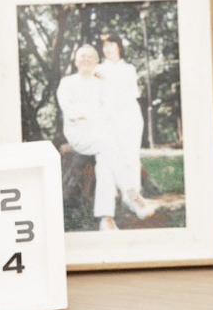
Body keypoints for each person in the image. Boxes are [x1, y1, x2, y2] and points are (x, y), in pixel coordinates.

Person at [56, 44, 154, 231]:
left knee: (105, 160)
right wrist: (95, 109)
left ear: (97, 62)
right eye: (82, 56)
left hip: (101, 135)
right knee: (106, 142)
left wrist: (87, 112)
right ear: (76, 60)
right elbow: (71, 112)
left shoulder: (102, 84)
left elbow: (110, 110)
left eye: (90, 57)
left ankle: (106, 218)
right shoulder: (67, 83)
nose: (86, 59)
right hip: (79, 136)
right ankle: (131, 193)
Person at [94, 33, 145, 193]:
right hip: (108, 119)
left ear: (119, 47)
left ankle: (133, 196)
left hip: (130, 116)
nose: (107, 49)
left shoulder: (129, 69)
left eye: (111, 45)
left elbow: (132, 94)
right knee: (112, 158)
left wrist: (108, 82)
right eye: (104, 46)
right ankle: (114, 194)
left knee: (131, 158)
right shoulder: (98, 70)